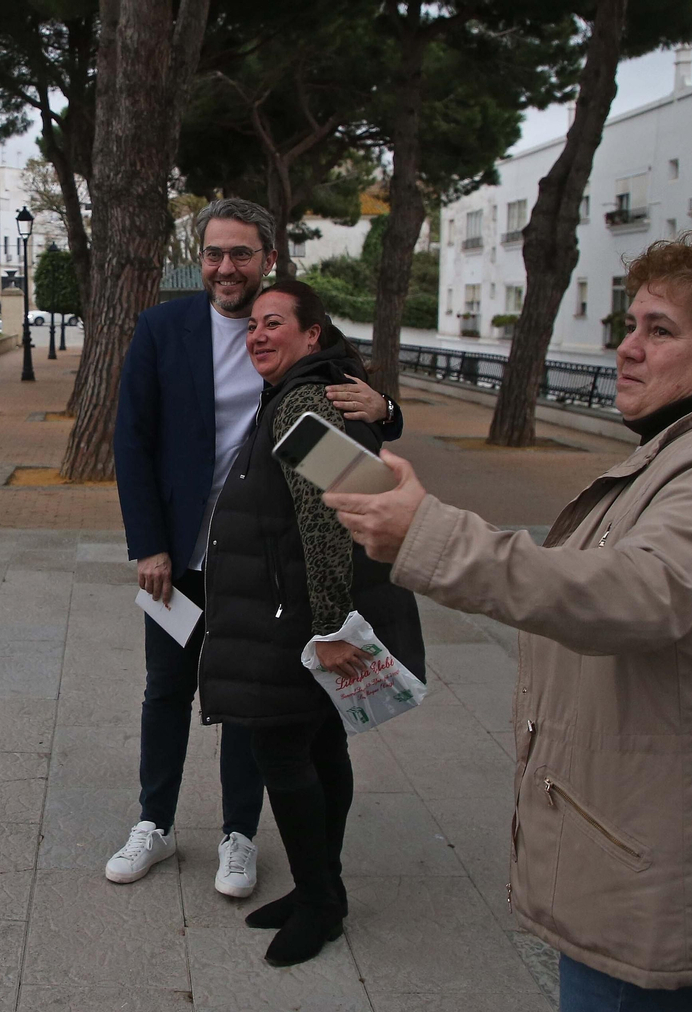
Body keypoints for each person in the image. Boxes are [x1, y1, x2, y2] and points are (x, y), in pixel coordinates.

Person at [324, 232, 692, 1010]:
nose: (627, 349)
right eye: (630, 325)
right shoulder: (684, 451)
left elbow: (638, 593)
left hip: (668, 875)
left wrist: (430, 537)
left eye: (660, 331)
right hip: (652, 851)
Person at [111, 198, 402, 896]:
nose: (225, 267)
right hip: (178, 560)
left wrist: (388, 410)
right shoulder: (162, 329)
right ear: (200, 259)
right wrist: (149, 546)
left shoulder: (291, 326)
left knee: (247, 700)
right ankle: (153, 822)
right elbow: (132, 440)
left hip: (260, 566)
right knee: (166, 689)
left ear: (268, 258)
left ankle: (238, 835)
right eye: (214, 253)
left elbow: (357, 423)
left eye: (241, 253)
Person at [196, 279, 424, 967]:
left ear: (312, 335)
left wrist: (329, 629)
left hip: (295, 619)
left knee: (285, 755)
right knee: (322, 748)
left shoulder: (302, 403)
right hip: (292, 608)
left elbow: (331, 521)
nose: (258, 335)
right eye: (252, 326)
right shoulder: (312, 393)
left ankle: (320, 902)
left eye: (275, 323)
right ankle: (321, 891)